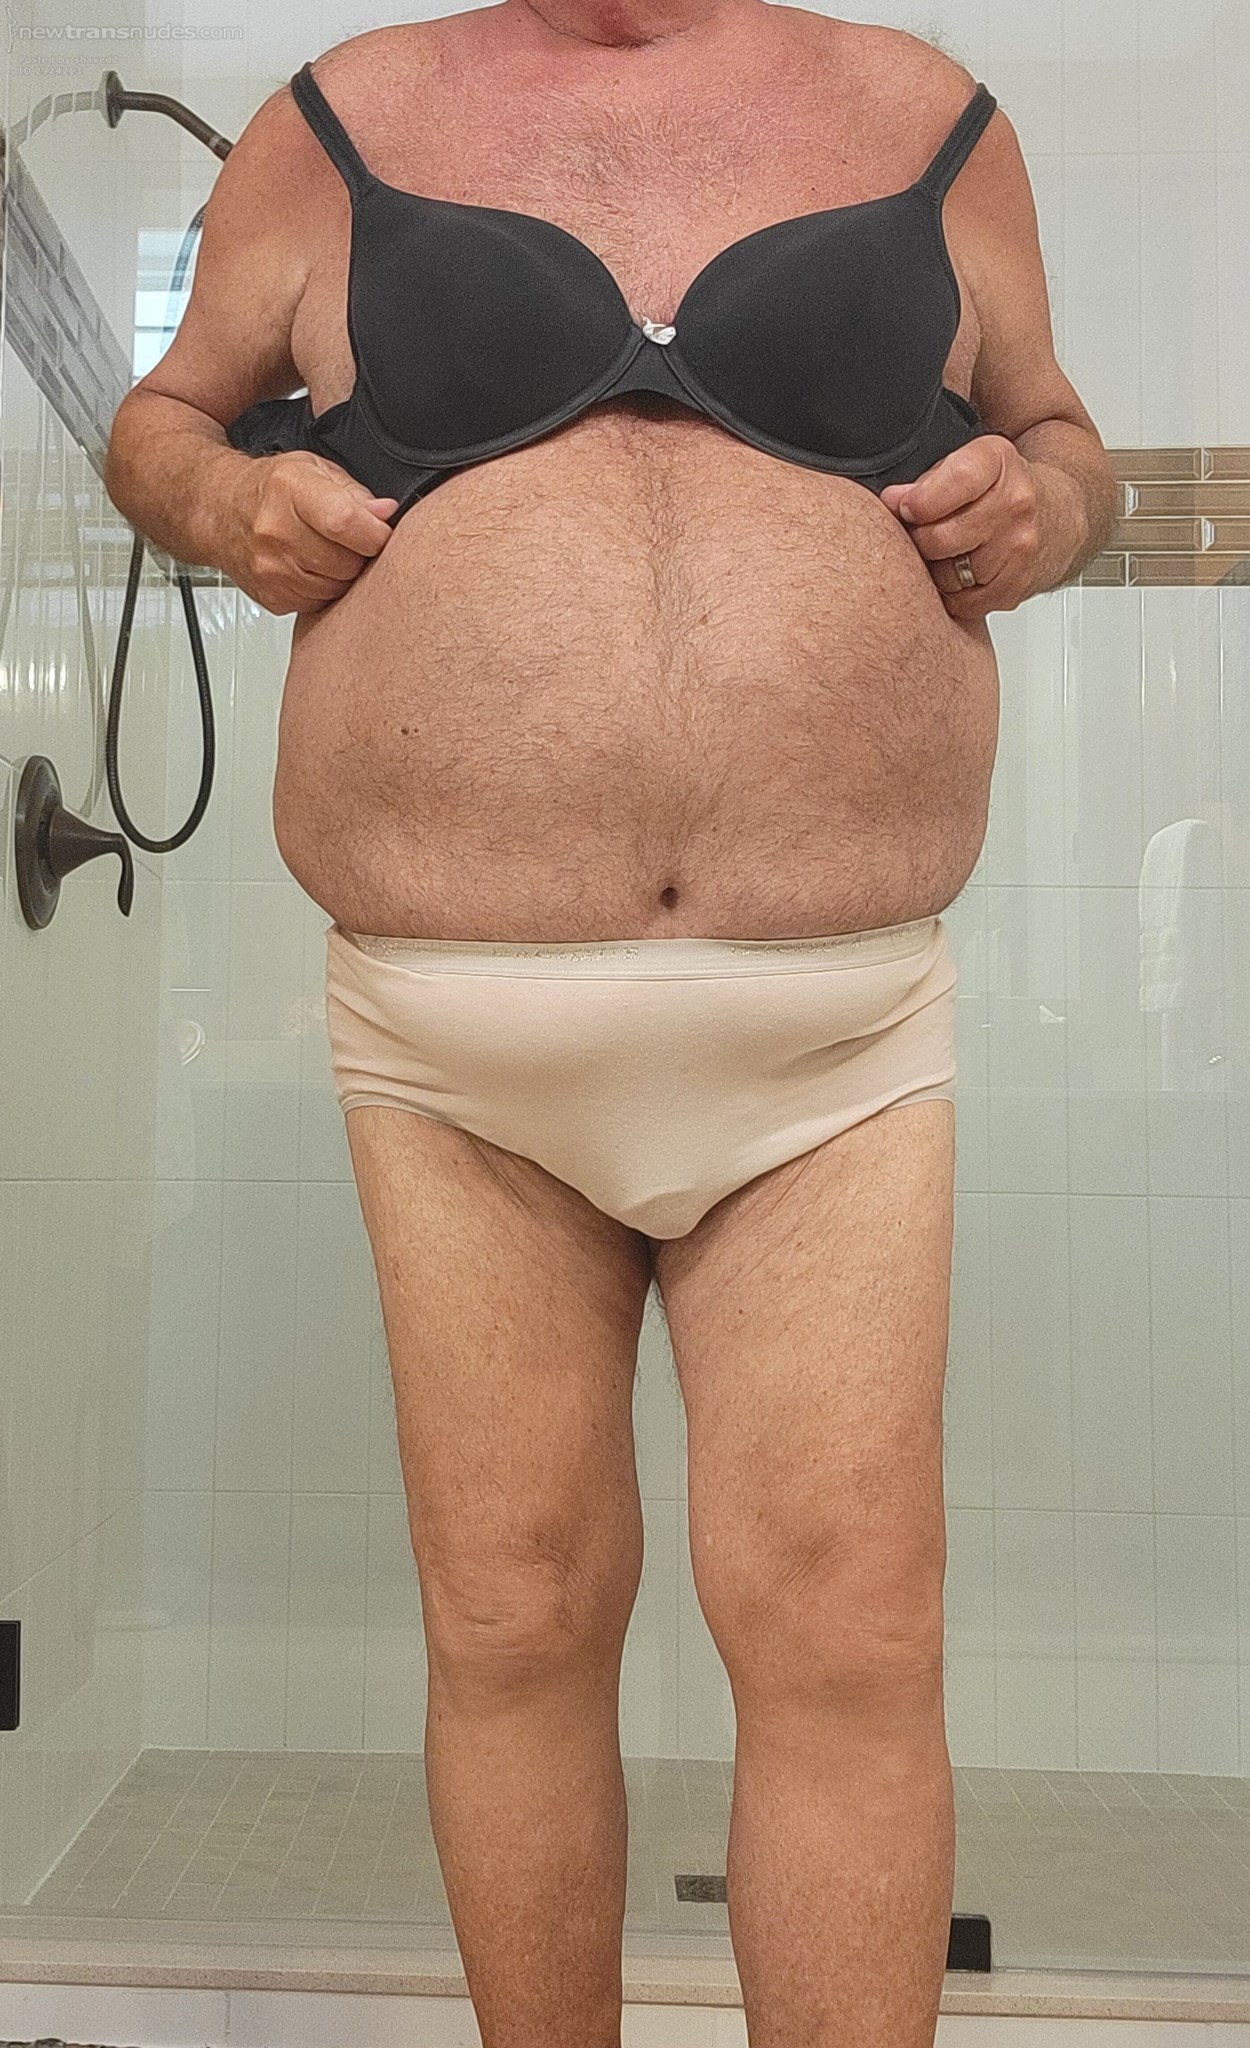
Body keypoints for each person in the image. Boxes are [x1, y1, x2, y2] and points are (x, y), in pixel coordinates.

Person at [104, 2, 1118, 2041]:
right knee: (512, 1616)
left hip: (830, 1037)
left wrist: (1051, 512)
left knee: (849, 1632)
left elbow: (1064, 443)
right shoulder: (338, 118)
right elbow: (164, 424)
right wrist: (225, 511)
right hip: (452, 1033)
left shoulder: (929, 115)